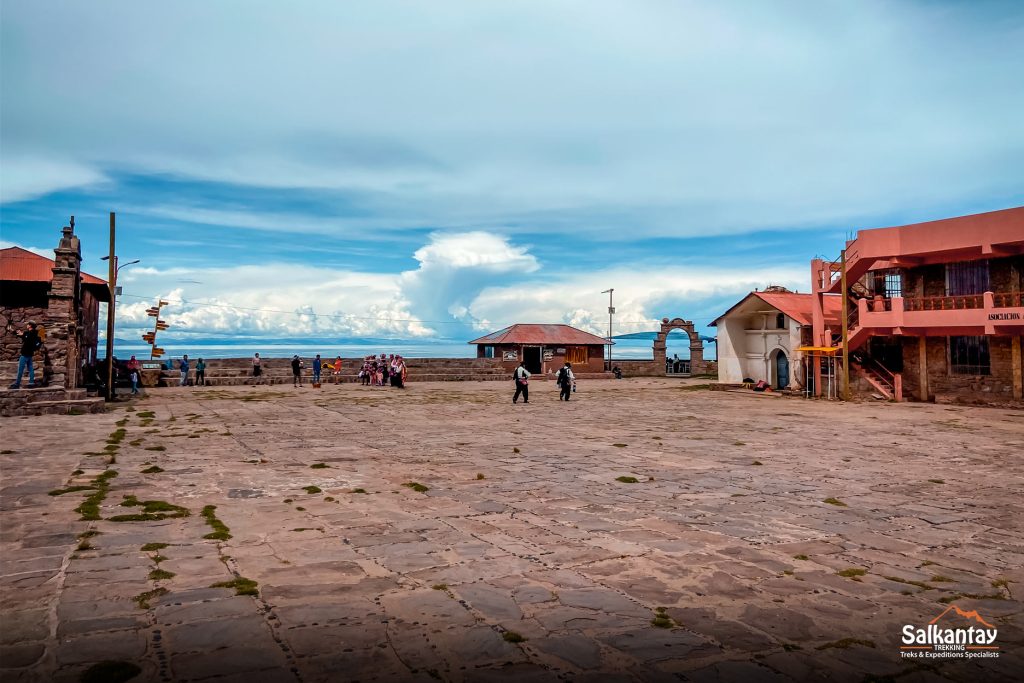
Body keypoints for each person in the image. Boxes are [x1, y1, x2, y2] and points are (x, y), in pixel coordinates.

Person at [8, 322, 42, 389]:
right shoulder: (33, 333)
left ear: (30, 326)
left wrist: (22, 335)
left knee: (20, 369)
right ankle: (31, 382)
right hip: (30, 353)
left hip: (25, 353)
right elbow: (21, 334)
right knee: (30, 368)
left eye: (28, 324)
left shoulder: (30, 334)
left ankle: (17, 384)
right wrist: (12, 330)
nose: (27, 325)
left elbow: (26, 338)